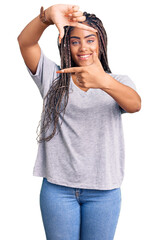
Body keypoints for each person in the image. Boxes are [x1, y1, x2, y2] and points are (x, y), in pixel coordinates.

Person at [17, 4, 141, 240]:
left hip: (104, 191)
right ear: (66, 45)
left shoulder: (117, 82)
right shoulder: (54, 78)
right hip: (58, 190)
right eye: (75, 41)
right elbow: (25, 43)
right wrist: (47, 17)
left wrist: (103, 81)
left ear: (100, 43)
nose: (83, 47)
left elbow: (135, 105)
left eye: (90, 40)